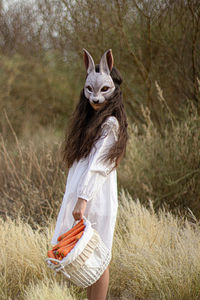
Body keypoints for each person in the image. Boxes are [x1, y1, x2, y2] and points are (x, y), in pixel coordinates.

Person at [51, 49, 128, 300]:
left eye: (103, 90)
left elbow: (99, 165)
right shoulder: (89, 123)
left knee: (99, 255)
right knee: (87, 257)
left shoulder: (110, 125)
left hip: (96, 200)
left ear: (113, 89)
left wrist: (82, 198)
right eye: (90, 90)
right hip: (84, 201)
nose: (95, 97)